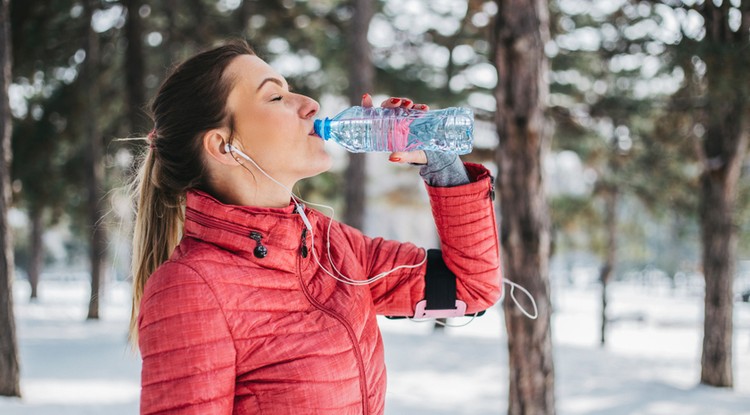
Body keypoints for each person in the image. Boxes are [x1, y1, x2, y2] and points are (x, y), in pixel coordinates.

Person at [130, 39, 502, 415]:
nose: (310, 105)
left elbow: (471, 287)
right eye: (276, 98)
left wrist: (441, 162)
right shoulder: (191, 288)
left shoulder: (333, 249)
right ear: (224, 146)